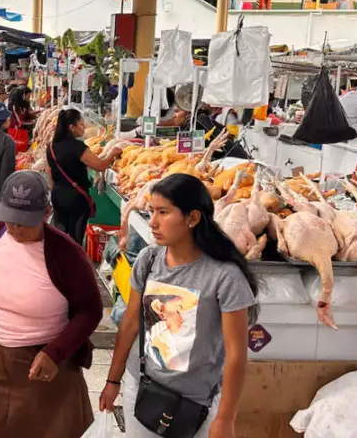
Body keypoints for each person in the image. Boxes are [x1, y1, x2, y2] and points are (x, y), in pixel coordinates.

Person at [99, 174, 259, 438]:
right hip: (143, 389)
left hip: (196, 402)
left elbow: (236, 354)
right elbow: (130, 323)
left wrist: (226, 417)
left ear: (192, 218)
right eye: (151, 212)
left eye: (163, 212)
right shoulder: (149, 260)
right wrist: (113, 380)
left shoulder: (224, 276)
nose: (153, 223)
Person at [0, 170, 102, 438]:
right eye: (10, 219)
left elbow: (90, 311)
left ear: (46, 212)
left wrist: (55, 353)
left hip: (43, 370)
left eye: (24, 222)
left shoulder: (66, 253)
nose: (14, 228)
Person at [46, 108, 122, 245]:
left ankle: (58, 263)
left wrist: (55, 191)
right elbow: (100, 165)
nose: (84, 127)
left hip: (58, 195)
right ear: (71, 127)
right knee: (75, 239)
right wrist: (112, 154)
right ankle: (73, 264)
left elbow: (48, 171)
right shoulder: (77, 147)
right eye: (81, 124)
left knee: (59, 235)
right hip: (76, 198)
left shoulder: (51, 147)